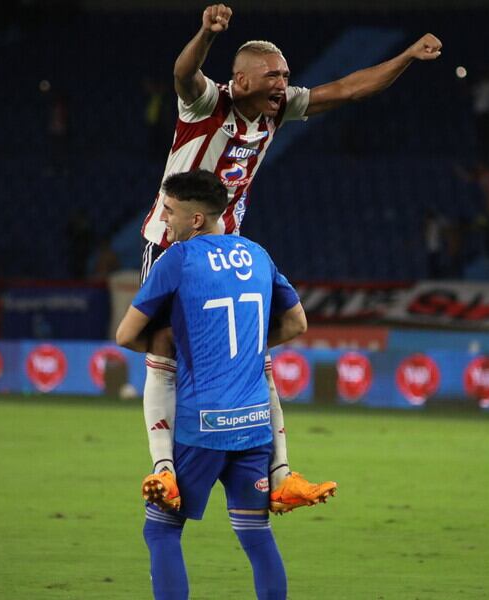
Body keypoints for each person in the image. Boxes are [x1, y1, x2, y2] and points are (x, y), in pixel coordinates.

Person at [137, 3, 442, 505]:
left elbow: (347, 89)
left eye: (285, 75)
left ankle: (282, 478)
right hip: (172, 244)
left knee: (258, 358)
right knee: (164, 349)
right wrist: (207, 33)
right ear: (241, 81)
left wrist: (407, 56)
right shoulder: (207, 103)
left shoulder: (277, 109)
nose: (284, 83)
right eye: (273, 76)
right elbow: (183, 74)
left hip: (228, 251)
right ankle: (164, 471)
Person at [117, 170, 335, 600]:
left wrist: (185, 347)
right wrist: (245, 350)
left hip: (203, 425)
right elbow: (297, 323)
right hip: (254, 423)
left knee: (161, 530)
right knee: (256, 533)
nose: (164, 220)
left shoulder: (177, 259)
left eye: (169, 211)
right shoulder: (258, 253)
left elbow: (126, 335)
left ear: (196, 219)